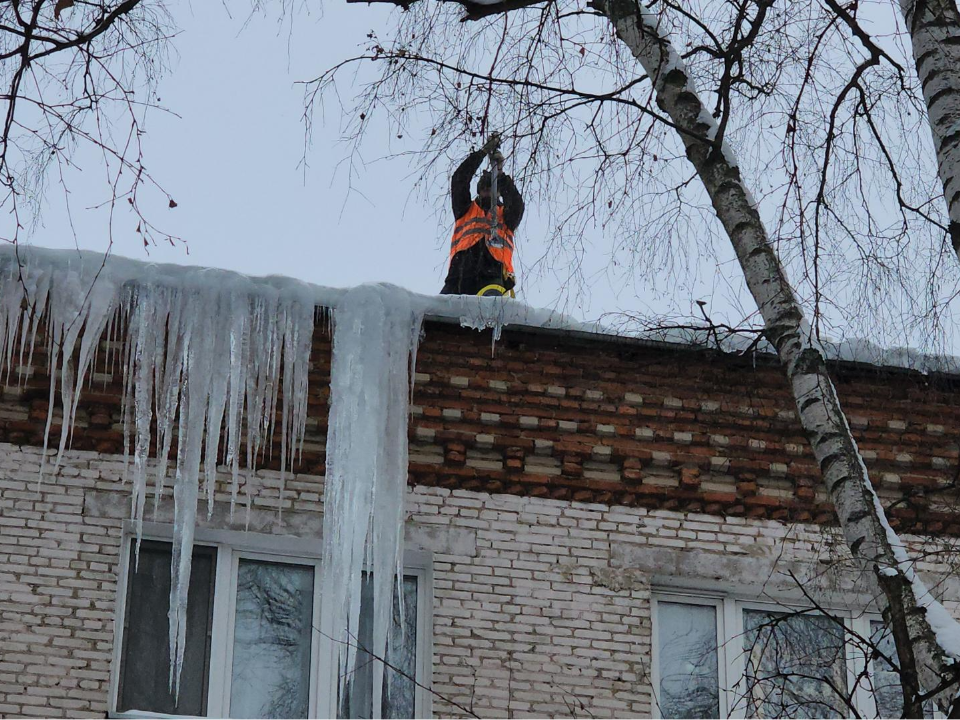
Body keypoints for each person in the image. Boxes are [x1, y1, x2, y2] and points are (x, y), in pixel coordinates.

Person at [441, 134, 524, 295]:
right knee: (443, 310)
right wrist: (482, 153)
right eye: (484, 188)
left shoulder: (506, 216)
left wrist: (500, 174)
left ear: (498, 192)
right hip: (461, 271)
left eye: (490, 188)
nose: (487, 192)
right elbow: (459, 179)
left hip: (493, 271)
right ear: (478, 191)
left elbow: (517, 204)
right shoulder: (465, 209)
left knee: (490, 305)